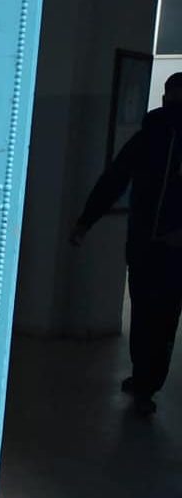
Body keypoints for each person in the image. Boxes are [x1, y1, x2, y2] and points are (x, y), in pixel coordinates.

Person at [70, 72, 182, 417]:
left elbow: (113, 181)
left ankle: (144, 381)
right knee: (160, 319)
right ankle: (146, 382)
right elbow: (114, 180)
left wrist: (85, 222)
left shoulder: (147, 137)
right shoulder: (149, 137)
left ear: (164, 98)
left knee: (150, 316)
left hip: (150, 247)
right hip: (160, 250)